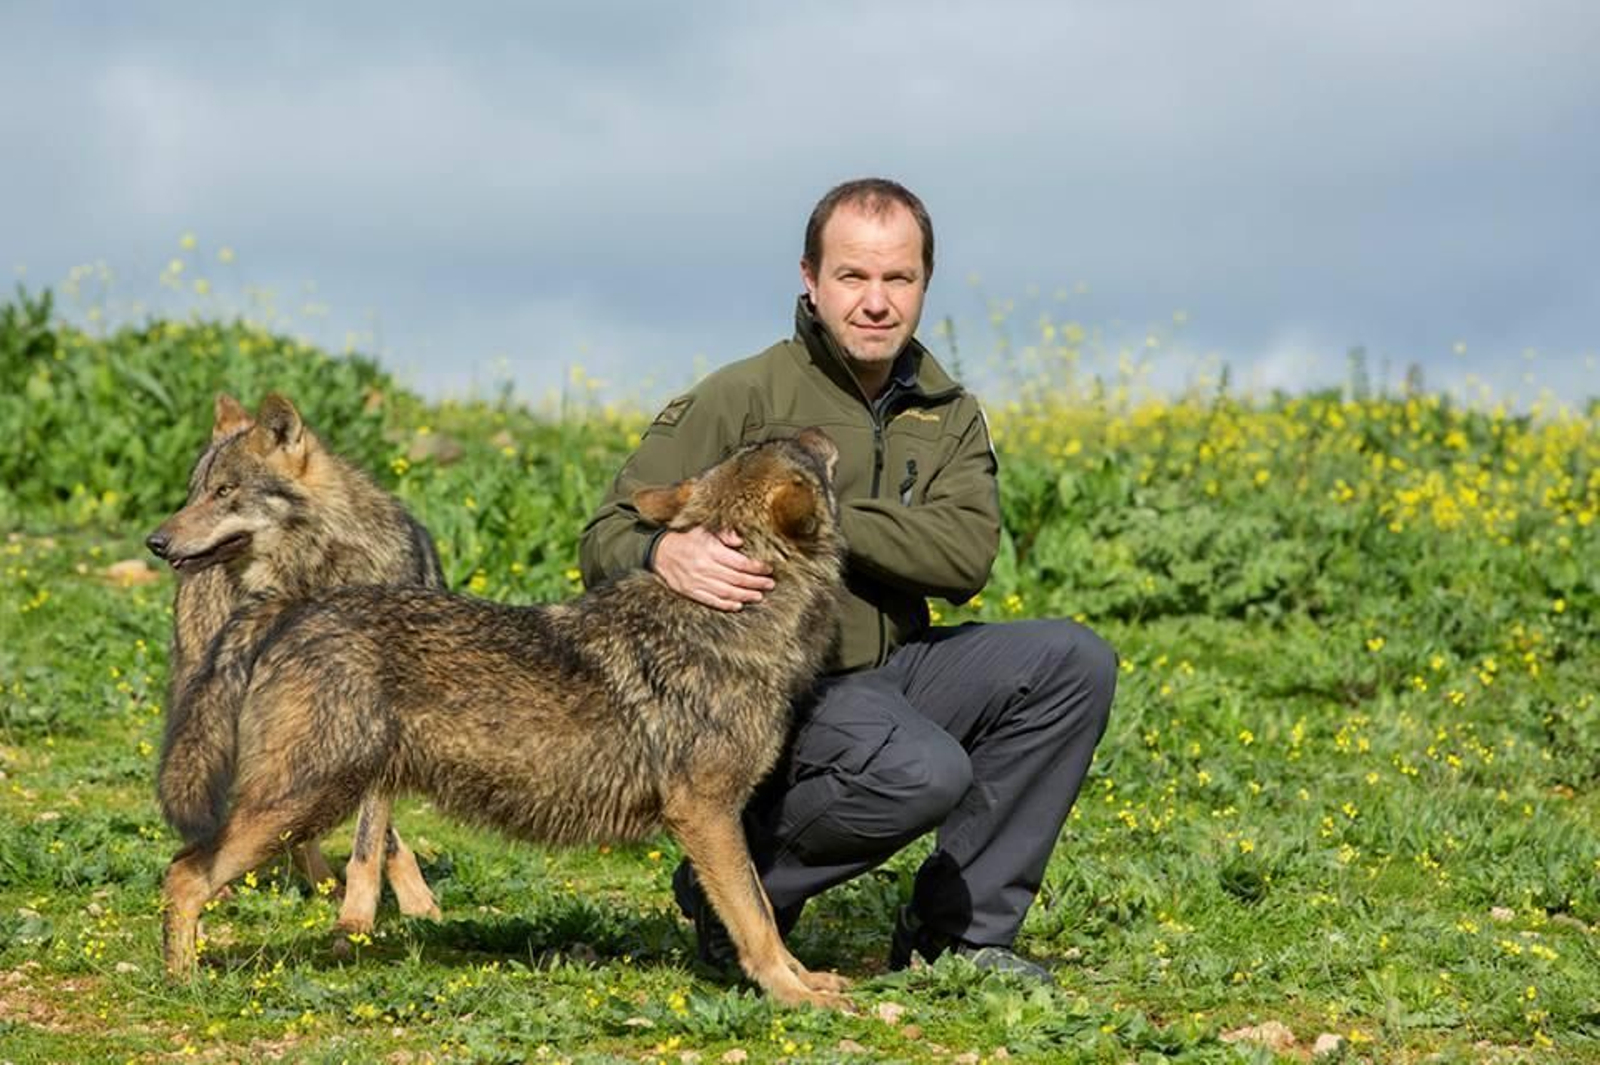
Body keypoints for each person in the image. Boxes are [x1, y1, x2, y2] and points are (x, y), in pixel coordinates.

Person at [579, 178, 1116, 983]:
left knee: (1074, 662)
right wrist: (661, 553)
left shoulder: (948, 410)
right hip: (779, 688)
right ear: (810, 279)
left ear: (924, 284)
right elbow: (605, 532)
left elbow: (964, 556)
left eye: (897, 279)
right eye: (852, 277)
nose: (875, 301)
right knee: (923, 770)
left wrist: (814, 510)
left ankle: (960, 937)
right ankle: (737, 896)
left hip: (898, 666)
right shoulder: (744, 393)